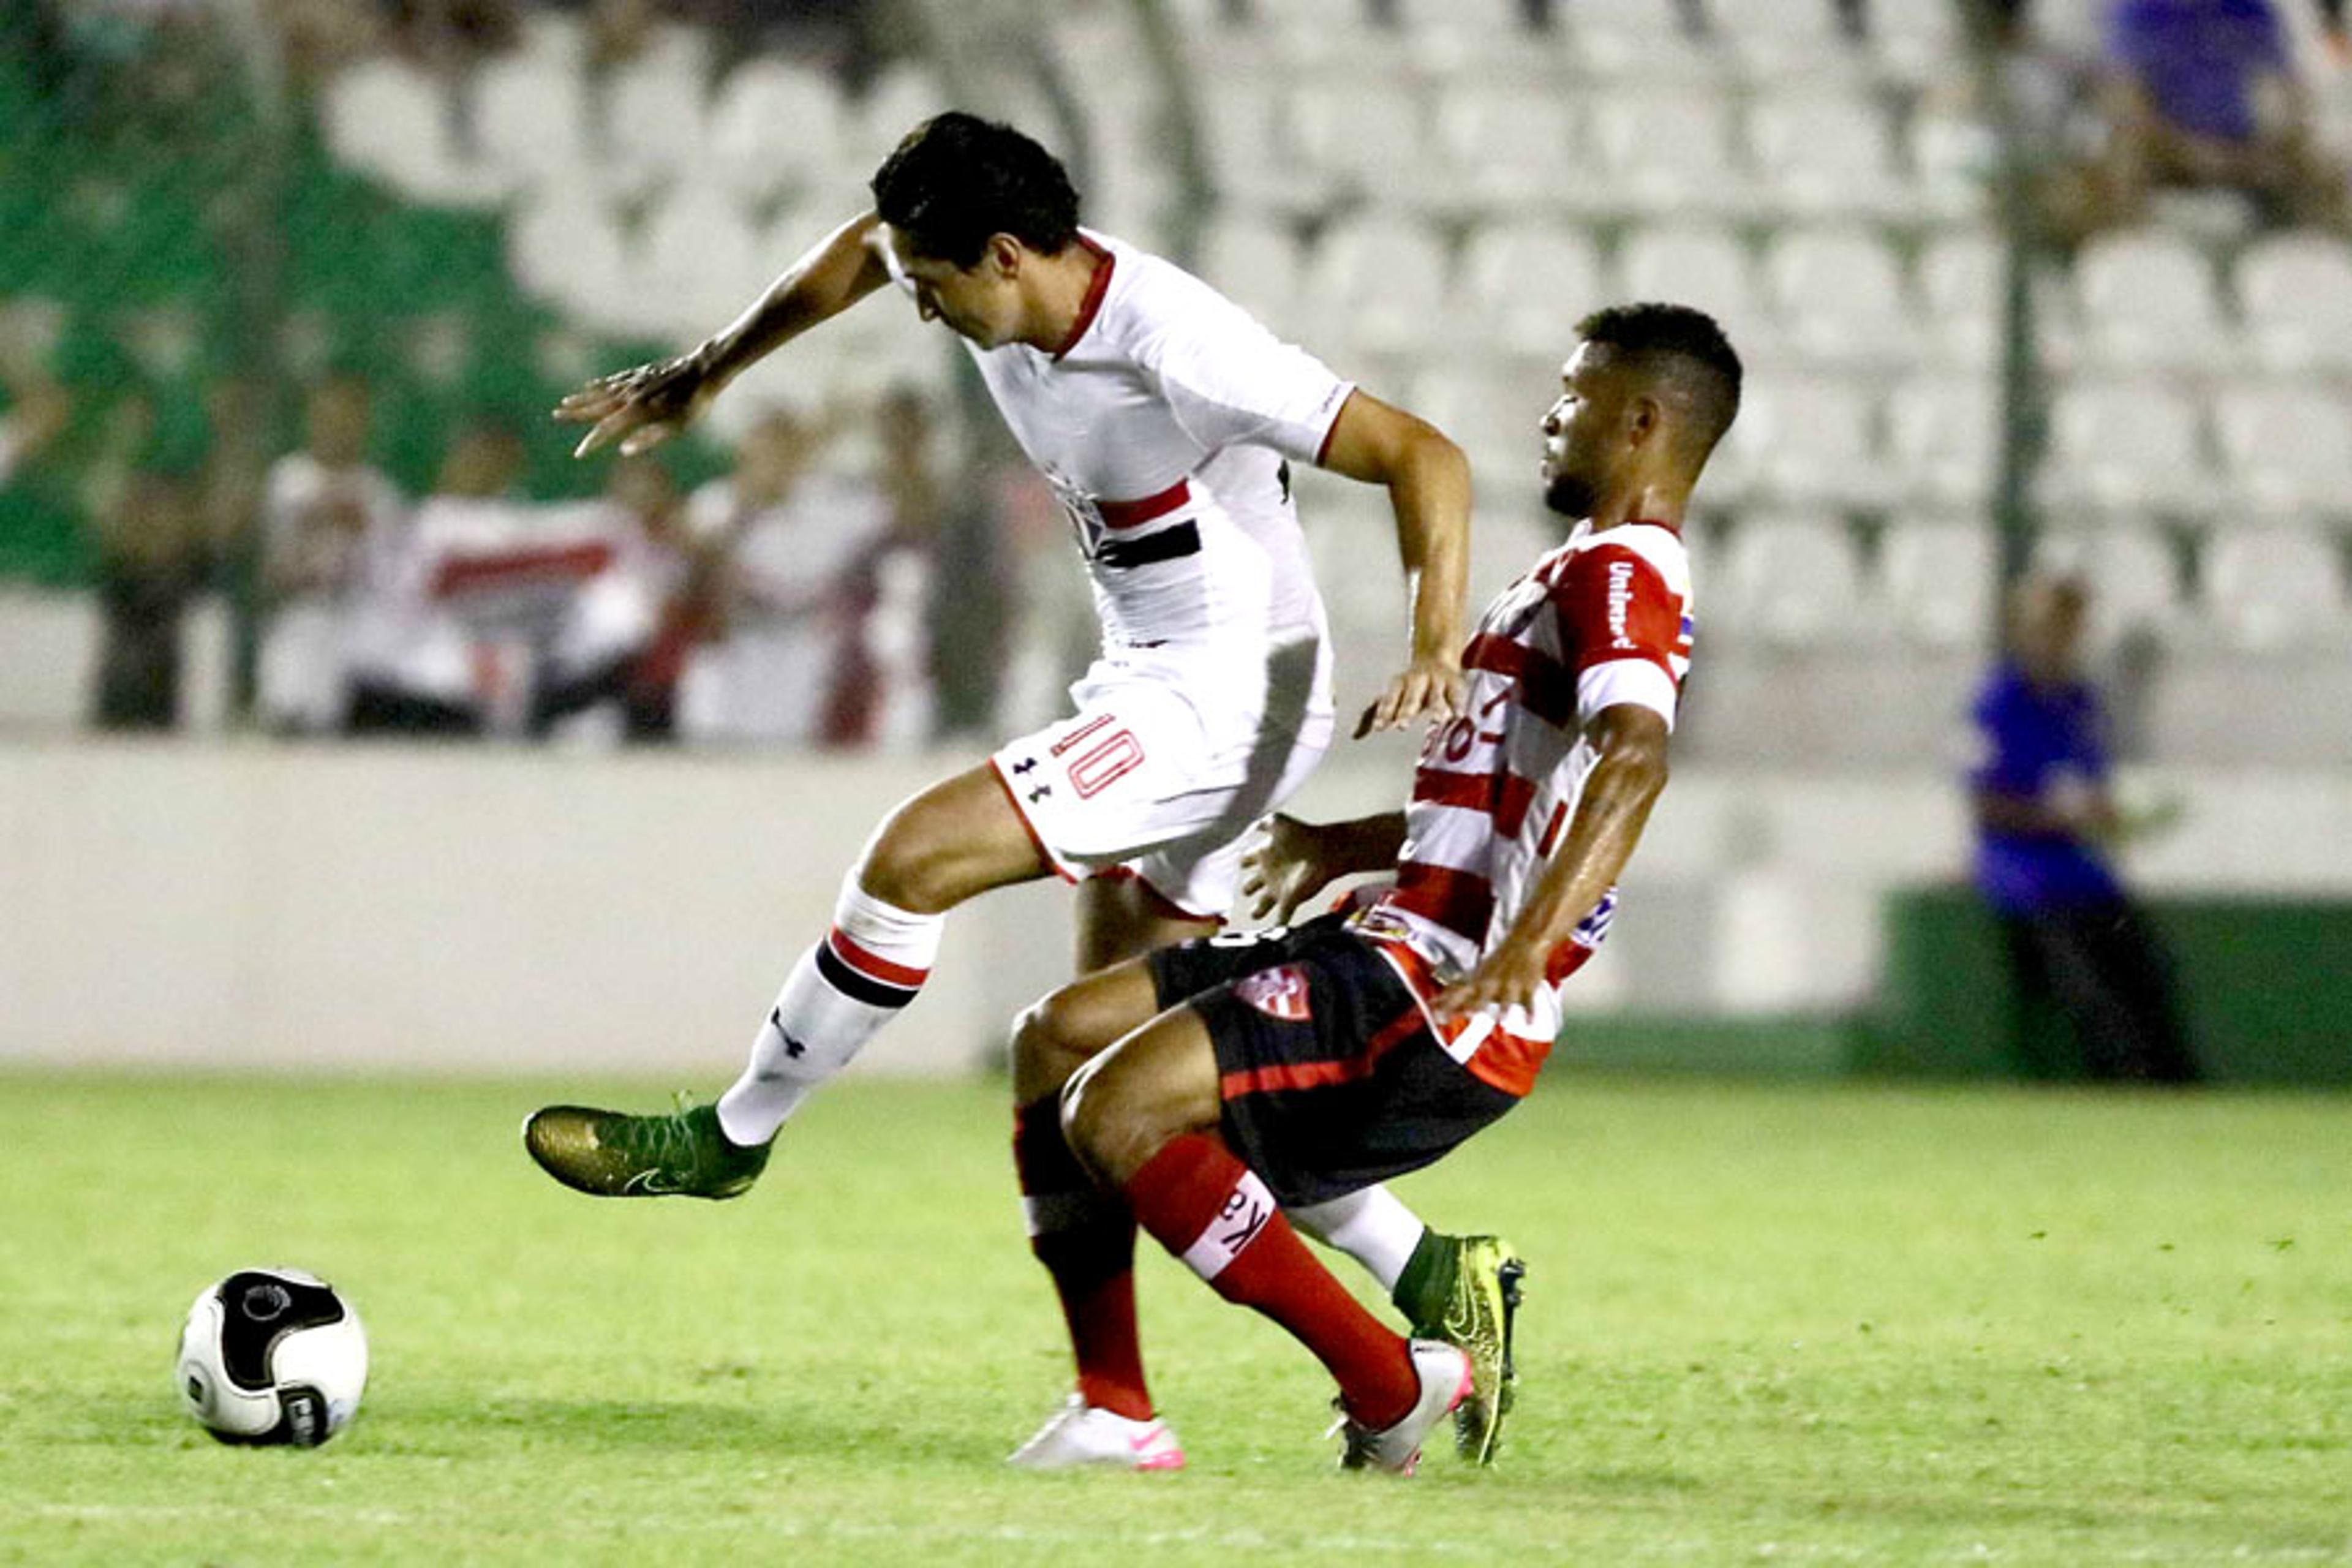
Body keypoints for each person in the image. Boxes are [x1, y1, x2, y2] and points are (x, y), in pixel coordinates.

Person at [522, 111, 1502, 1460]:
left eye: (935, 288)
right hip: (1158, 675)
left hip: (1229, 697)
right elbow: (855, 257)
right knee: (1123, 1071)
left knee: (916, 854)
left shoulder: (1176, 339)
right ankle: (1389, 1302)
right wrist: (711, 369)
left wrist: (1438, 639)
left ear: (1001, 254)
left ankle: (732, 1135)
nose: (918, 309)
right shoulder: (992, 280)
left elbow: (1424, 454)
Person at [1010, 303, 1735, 1475]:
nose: (1551, 416)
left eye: (1574, 393)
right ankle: (1116, 1406)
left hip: (1428, 981)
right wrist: (1341, 844)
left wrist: (1520, 951)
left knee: (1121, 1111)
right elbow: (1505, 806)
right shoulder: (1573, 574)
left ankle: (1393, 1385)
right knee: (1058, 1038)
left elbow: (1635, 758)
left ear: (1643, 420)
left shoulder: (1623, 573)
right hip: (1385, 933)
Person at [1969, 573, 2199, 1083]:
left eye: (2071, 625)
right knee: (2092, 996)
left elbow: (2090, 788)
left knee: (2150, 979)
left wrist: (2115, 818)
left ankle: (2177, 1092)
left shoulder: (2079, 702)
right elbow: (1985, 806)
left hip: (2085, 873)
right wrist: (2064, 818)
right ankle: (2124, 1096)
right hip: (2025, 878)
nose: (2062, 637)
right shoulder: (1998, 703)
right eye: (2050, 625)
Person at [2095, 0, 2351, 233]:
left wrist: (2281, 140)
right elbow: (2128, 101)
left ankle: (2319, 257)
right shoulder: (2138, 11)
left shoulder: (2250, 9)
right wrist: (2191, 151)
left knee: (2325, 167)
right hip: (2165, 146)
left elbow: (2290, 91)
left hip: (2245, 146)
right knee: (2126, 150)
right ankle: (2127, 248)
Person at [256, 374, 404, 736]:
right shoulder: (287, 479)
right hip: (297, 620)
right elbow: (270, 562)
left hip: (357, 625)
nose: (339, 427)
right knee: (286, 722)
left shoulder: (380, 492)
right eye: (329, 416)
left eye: (350, 418)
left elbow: (392, 574)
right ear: (312, 419)